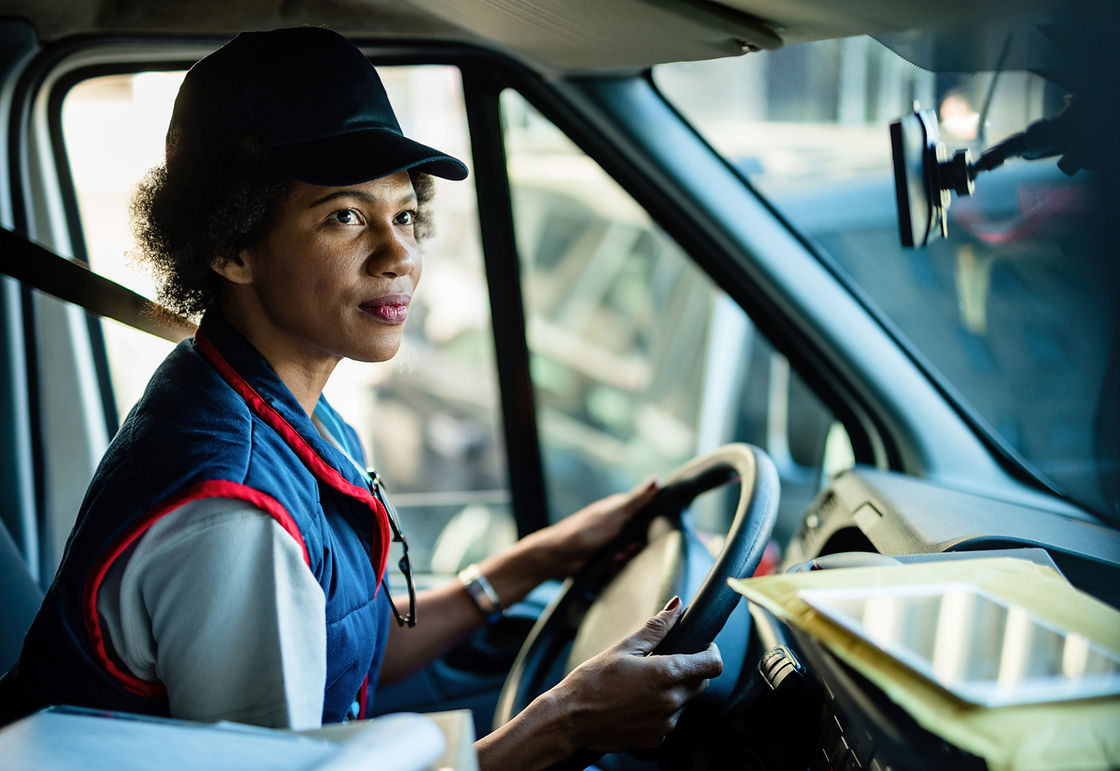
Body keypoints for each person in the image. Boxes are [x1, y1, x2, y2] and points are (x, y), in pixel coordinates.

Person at [0, 26, 723, 768]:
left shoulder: (270, 404)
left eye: (404, 215)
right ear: (230, 246)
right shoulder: (235, 515)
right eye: (345, 216)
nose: (399, 253)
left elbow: (345, 642)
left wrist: (541, 557)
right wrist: (566, 721)